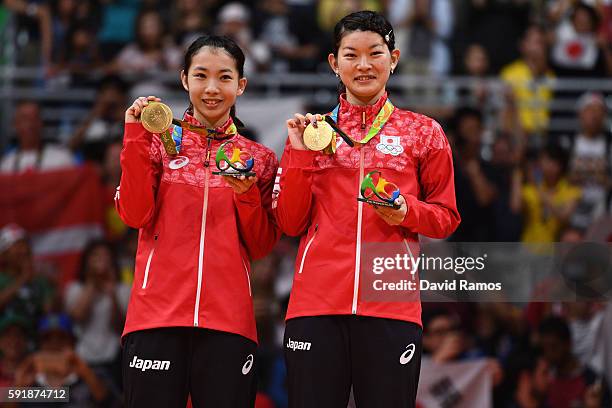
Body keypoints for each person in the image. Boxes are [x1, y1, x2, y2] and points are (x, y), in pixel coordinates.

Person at [272, 11, 460, 408]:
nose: (363, 65)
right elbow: (289, 222)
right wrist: (302, 157)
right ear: (333, 63)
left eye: (375, 53)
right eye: (351, 54)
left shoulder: (423, 132)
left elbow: (446, 218)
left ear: (393, 59)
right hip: (316, 305)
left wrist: (404, 210)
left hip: (391, 306)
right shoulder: (309, 131)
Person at [115, 35, 280, 408]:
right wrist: (135, 138)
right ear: (184, 79)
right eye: (201, 75)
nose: (211, 88)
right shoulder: (155, 144)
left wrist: (246, 194)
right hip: (156, 316)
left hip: (229, 322)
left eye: (224, 77)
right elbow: (134, 214)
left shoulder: (260, 159)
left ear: (240, 85)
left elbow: (260, 245)